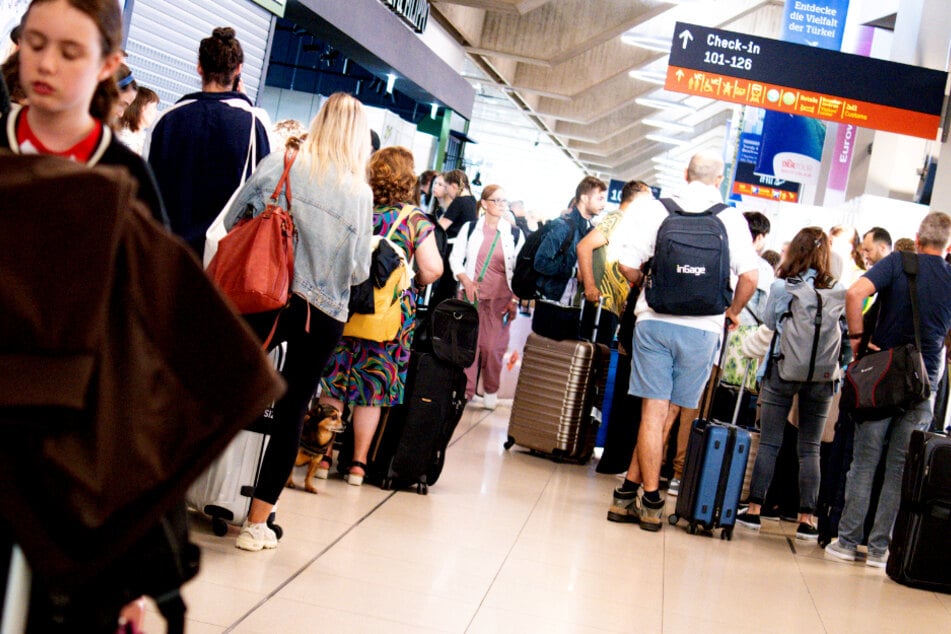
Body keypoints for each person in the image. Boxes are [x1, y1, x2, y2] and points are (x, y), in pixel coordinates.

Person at [218, 92, 373, 550]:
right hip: (321, 312)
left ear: (320, 121)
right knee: (292, 411)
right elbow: (360, 269)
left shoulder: (282, 160)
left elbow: (232, 221)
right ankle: (256, 524)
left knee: (220, 387)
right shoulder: (359, 194)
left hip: (264, 296)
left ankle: (165, 493)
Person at [607, 151, 759, 531]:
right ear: (719, 178)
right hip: (703, 328)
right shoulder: (731, 218)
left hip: (655, 321)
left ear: (685, 173)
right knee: (673, 414)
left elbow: (626, 263)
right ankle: (647, 496)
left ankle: (635, 494)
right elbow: (750, 278)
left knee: (652, 413)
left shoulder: (656, 209)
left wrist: (645, 285)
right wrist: (731, 311)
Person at [826, 211, 951, 567]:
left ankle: (847, 542)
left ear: (918, 236)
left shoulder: (898, 262)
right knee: (899, 468)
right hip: (924, 381)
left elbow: (855, 293)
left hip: (881, 377)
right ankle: (881, 549)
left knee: (865, 462)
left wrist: (857, 343)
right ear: (948, 246)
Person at [320, 146, 443, 487]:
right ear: (409, 179)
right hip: (389, 317)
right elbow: (433, 268)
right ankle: (358, 464)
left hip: (344, 305)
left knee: (335, 378)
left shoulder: (356, 205)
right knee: (372, 386)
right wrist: (413, 279)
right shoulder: (415, 220)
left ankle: (322, 453)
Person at [0, 0, 166, 227]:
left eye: (69, 53)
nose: (46, 64)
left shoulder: (126, 176)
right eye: (35, 44)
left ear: (107, 65)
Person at [735, 227, 844, 541]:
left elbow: (770, 322)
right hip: (823, 378)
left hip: (783, 371)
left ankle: (754, 511)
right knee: (809, 449)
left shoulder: (783, 287)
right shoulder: (839, 289)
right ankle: (807, 519)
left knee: (770, 442)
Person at [148, 26, 270, 254]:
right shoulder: (254, 124)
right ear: (238, 70)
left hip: (168, 252)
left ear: (200, 67)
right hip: (224, 257)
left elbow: (148, 192)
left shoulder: (165, 120)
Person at [450, 184, 525, 409]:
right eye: (496, 200)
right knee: (469, 345)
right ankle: (466, 390)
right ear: (484, 204)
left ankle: (491, 388)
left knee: (492, 348)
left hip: (500, 299)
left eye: (504, 201)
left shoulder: (513, 233)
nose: (502, 205)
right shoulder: (471, 229)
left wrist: (514, 299)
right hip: (471, 297)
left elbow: (519, 269)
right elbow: (455, 258)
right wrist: (464, 279)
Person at [576, 180, 652, 342]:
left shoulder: (627, 222)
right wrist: (590, 287)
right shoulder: (618, 218)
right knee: (591, 360)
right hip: (599, 304)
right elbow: (584, 246)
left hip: (607, 305)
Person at [534, 176, 607, 303]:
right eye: (599, 199)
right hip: (551, 300)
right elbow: (540, 262)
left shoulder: (587, 229)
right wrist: (574, 272)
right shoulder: (563, 226)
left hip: (570, 300)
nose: (603, 204)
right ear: (584, 198)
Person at [114, 85, 158, 155]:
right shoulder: (122, 136)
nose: (156, 113)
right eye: (154, 107)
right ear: (141, 108)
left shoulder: (144, 138)